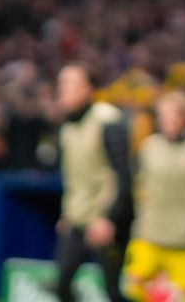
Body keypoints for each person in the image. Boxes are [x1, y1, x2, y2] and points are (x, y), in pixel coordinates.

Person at [123, 91, 185, 302]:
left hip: (184, 239)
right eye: (162, 115)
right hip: (148, 233)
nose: (166, 121)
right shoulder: (148, 147)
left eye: (172, 115)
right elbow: (134, 187)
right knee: (133, 290)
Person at [54, 64, 132, 302]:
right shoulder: (67, 127)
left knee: (113, 292)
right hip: (77, 218)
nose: (62, 90)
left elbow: (123, 175)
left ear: (87, 89)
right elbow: (73, 177)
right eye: (61, 84)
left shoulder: (108, 120)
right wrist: (67, 214)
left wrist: (109, 218)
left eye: (70, 84)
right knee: (62, 284)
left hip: (105, 219)